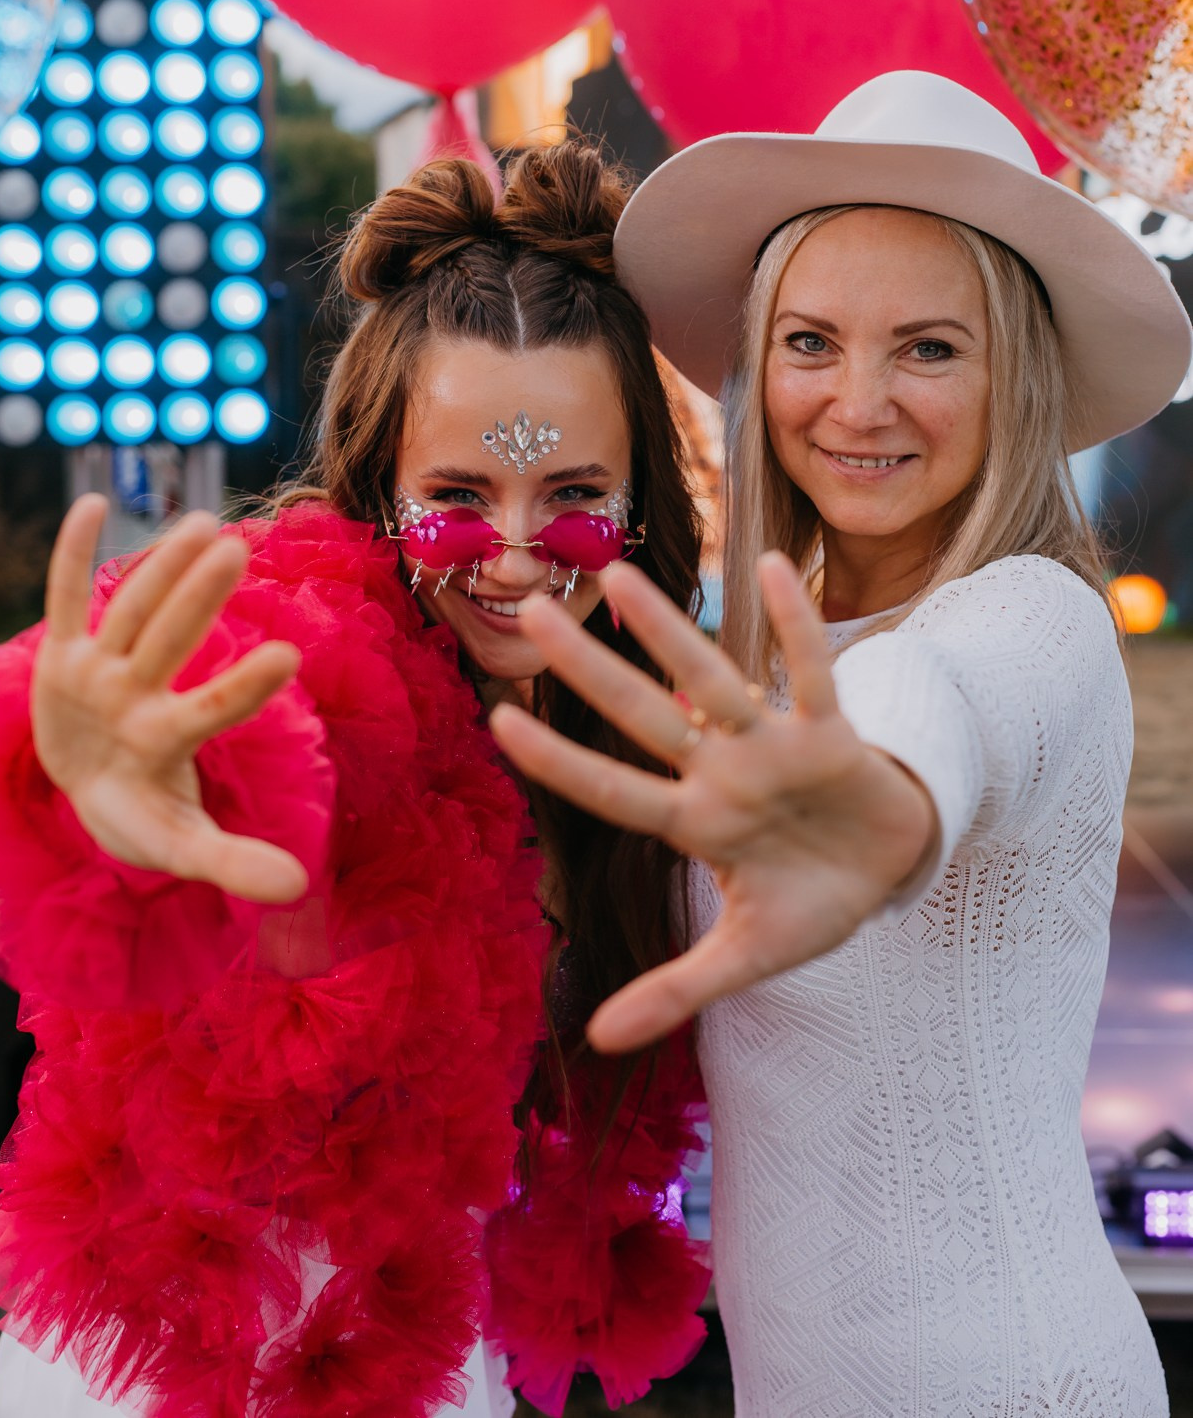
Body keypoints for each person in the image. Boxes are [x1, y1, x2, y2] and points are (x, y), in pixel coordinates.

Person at [0, 143, 709, 1418]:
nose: (513, 559)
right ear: (378, 488)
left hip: (425, 1359)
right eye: (456, 499)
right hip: (173, 1371)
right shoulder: (312, 657)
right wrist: (100, 799)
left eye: (571, 499)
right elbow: (222, 733)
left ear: (640, 510)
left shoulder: (640, 737)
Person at [490, 71, 1191, 1417]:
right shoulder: (777, 656)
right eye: (810, 342)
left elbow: (927, 720)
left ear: (1013, 378)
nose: (856, 402)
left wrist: (876, 809)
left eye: (925, 348)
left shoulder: (1030, 616)